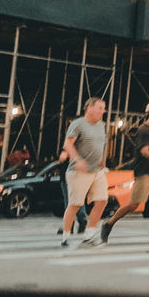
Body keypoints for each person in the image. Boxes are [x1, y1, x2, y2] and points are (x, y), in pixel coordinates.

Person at [95, 100, 149, 247]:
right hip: (144, 172)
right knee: (134, 204)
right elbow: (144, 151)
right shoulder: (144, 130)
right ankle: (108, 224)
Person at [59, 98, 109, 247]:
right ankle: (65, 237)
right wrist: (77, 160)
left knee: (102, 200)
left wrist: (103, 165)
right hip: (79, 171)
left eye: (104, 108)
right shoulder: (78, 124)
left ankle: (89, 235)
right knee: (75, 204)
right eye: (100, 108)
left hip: (97, 171)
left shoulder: (101, 125)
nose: (103, 111)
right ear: (90, 108)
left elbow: (102, 146)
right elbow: (67, 144)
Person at [56, 149, 88, 236]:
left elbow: (62, 158)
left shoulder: (70, 142)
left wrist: (66, 152)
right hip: (81, 175)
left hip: (68, 175)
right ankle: (82, 219)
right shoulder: (84, 142)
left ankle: (69, 225)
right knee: (78, 198)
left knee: (69, 201)